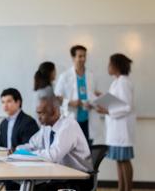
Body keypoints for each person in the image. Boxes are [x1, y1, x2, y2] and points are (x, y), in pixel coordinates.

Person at [16, 96, 93, 191]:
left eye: (41, 113)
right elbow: (32, 145)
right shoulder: (47, 126)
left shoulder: (68, 126)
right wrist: (17, 150)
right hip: (59, 176)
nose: (38, 117)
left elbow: (53, 156)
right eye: (37, 113)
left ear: (54, 112)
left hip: (78, 180)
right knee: (28, 184)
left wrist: (30, 155)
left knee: (34, 187)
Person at [96, 53, 136, 191]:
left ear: (116, 66)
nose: (108, 67)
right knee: (119, 160)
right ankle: (121, 188)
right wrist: (103, 98)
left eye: (110, 64)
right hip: (116, 130)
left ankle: (127, 188)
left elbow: (126, 106)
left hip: (122, 130)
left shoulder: (124, 83)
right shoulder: (117, 82)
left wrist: (107, 111)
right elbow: (116, 102)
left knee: (124, 160)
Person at [54, 45, 100, 145]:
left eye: (84, 56)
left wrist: (94, 102)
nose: (83, 59)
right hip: (72, 119)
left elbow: (94, 94)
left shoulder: (91, 75)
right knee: (72, 151)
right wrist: (70, 102)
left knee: (88, 152)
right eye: (80, 56)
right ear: (73, 57)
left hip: (88, 121)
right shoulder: (65, 76)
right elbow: (56, 97)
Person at [0, 88, 39, 190]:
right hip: (7, 166)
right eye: (3, 102)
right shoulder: (4, 123)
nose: (5, 105)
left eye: (9, 101)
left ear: (18, 102)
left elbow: (30, 148)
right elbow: (0, 146)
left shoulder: (28, 122)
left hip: (23, 168)